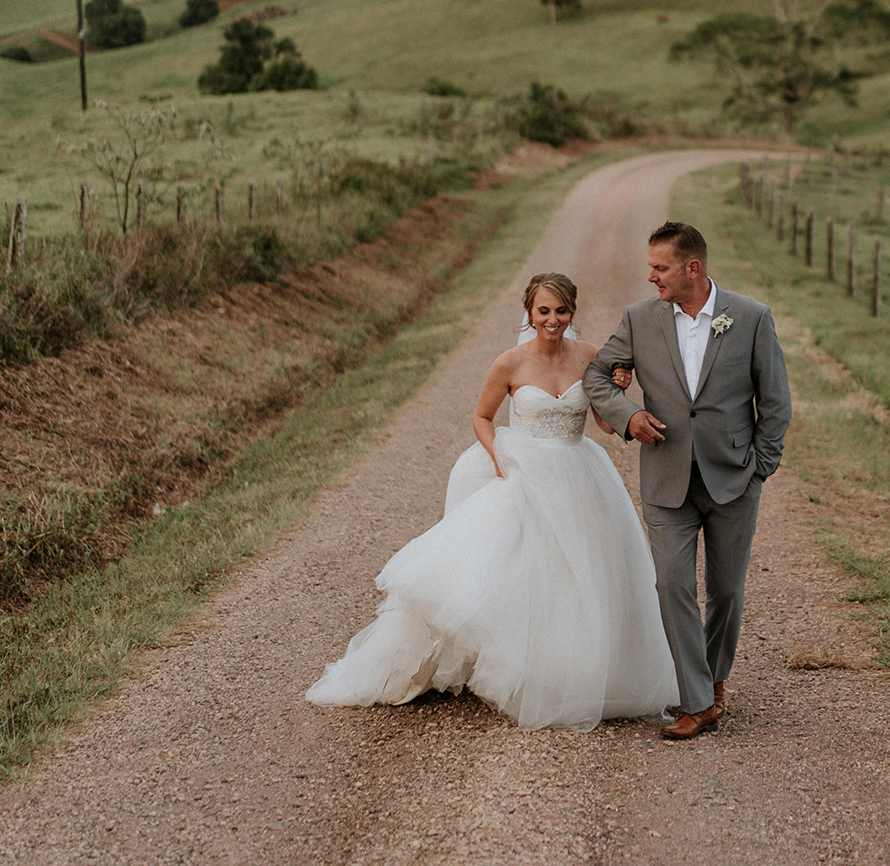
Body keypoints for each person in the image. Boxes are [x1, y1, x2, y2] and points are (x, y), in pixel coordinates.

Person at [306, 273, 678, 731]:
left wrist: (617, 387)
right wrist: (500, 455)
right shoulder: (510, 363)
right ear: (530, 313)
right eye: (544, 311)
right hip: (525, 469)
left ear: (571, 313)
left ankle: (573, 671)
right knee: (519, 569)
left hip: (579, 471)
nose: (553, 320)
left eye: (561, 311)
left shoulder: (589, 357)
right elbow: (482, 417)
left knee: (582, 571)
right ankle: (520, 666)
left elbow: (602, 422)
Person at [584, 221, 792, 740]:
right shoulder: (638, 319)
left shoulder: (750, 317)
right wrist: (628, 414)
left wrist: (760, 466)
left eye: (660, 267)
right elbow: (595, 376)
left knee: (726, 590)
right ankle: (697, 701)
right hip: (666, 478)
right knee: (672, 583)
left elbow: (775, 401)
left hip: (733, 479)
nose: (650, 276)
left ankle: (715, 680)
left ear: (692, 268)